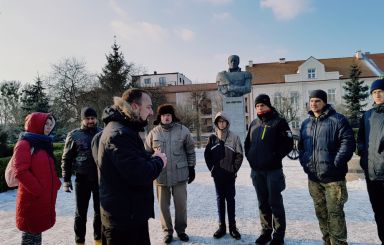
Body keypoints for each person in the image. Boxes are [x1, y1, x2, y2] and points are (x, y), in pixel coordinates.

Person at [97, 88, 167, 245]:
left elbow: (130, 162)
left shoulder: (124, 129)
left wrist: (151, 157)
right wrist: (159, 161)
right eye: (148, 107)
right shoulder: (119, 134)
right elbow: (139, 173)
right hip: (123, 222)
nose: (150, 113)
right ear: (135, 107)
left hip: (129, 214)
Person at [298, 89, 355, 245]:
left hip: (333, 179)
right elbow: (301, 146)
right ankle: (327, 241)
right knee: (321, 213)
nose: (314, 104)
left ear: (324, 102)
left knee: (335, 214)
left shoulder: (338, 120)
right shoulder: (306, 123)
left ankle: (339, 243)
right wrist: (305, 162)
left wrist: (337, 163)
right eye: (311, 101)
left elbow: (348, 143)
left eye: (317, 101)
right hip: (314, 179)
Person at [244, 94, 293, 245]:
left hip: (273, 171)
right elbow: (247, 144)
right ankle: (266, 231)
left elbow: (288, 143)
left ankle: (278, 235)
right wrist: (251, 158)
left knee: (275, 202)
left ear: (269, 106)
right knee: (262, 202)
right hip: (257, 171)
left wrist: (274, 156)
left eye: (262, 105)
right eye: (257, 106)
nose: (259, 108)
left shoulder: (279, 122)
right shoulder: (254, 124)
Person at [144, 104, 196, 244]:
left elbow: (190, 151)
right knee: (163, 206)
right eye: (163, 115)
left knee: (181, 205)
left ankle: (181, 230)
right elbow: (146, 153)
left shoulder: (183, 130)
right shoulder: (153, 133)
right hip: (161, 176)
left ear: (172, 116)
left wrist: (191, 168)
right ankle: (167, 232)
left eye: (168, 115)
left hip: (180, 174)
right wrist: (149, 170)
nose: (166, 117)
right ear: (160, 117)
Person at [13, 112, 61, 245]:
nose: (49, 127)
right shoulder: (24, 144)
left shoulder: (44, 143)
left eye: (51, 125)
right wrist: (39, 191)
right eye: (46, 123)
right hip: (31, 199)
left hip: (42, 199)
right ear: (36, 123)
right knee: (29, 235)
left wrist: (56, 184)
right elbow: (20, 171)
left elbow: (50, 169)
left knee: (37, 233)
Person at [61, 107, 102, 245]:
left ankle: (98, 240)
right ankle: (80, 241)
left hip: (99, 179)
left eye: (93, 118)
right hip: (82, 179)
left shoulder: (102, 133)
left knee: (100, 212)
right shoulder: (74, 135)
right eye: (87, 118)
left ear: (96, 118)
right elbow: (66, 159)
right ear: (82, 120)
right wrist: (66, 180)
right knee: (81, 213)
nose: (90, 121)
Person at [204, 111, 243, 240]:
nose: (221, 123)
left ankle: (233, 227)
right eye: (219, 121)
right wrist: (213, 169)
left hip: (230, 175)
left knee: (230, 200)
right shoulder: (212, 138)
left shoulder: (234, 137)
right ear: (216, 123)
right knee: (220, 200)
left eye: (223, 121)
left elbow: (239, 155)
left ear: (227, 122)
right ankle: (222, 227)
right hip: (217, 175)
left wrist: (233, 169)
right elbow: (207, 155)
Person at [357, 78, 384, 245]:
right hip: (372, 173)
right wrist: (363, 154)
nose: (377, 94)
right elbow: (360, 139)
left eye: (380, 91)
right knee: (379, 212)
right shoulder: (367, 115)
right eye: (374, 92)